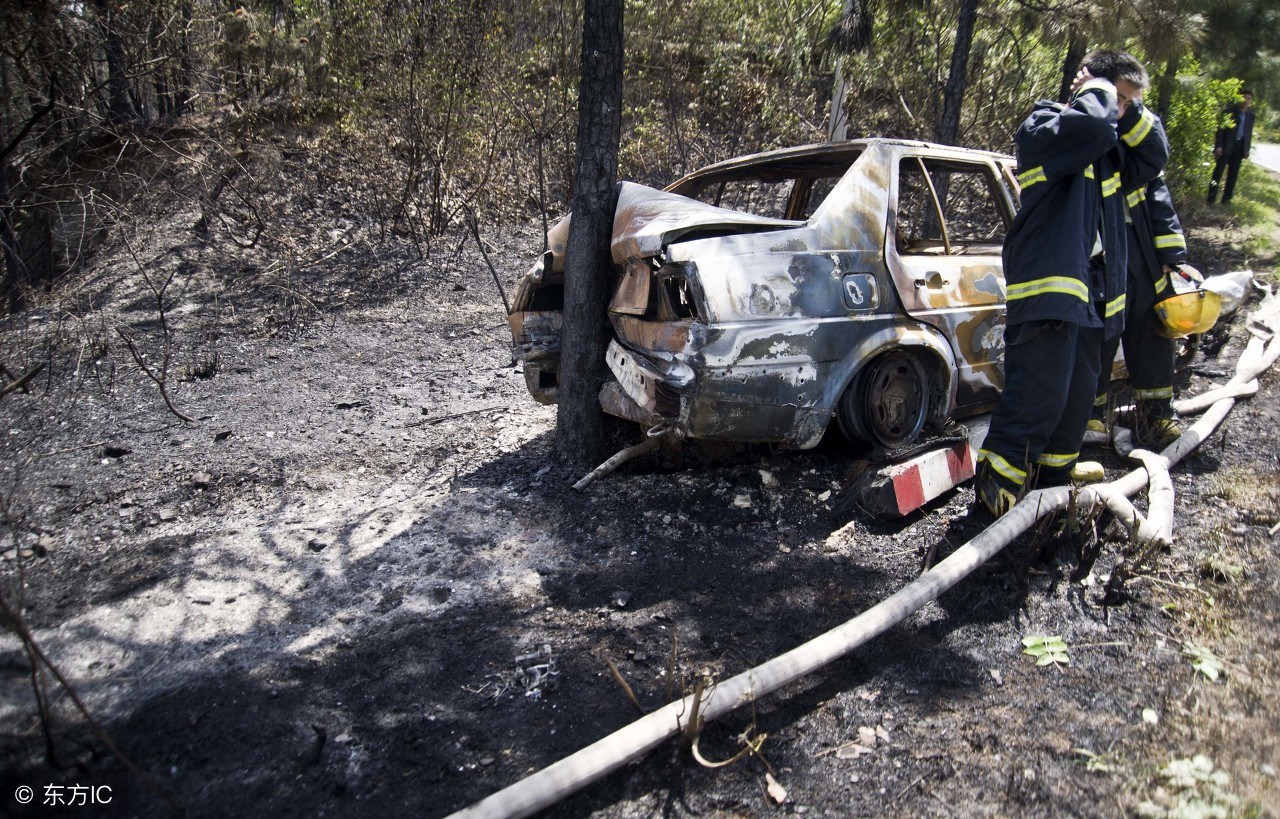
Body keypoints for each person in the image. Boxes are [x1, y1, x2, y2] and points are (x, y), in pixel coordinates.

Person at [975, 50, 1151, 518]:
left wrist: (1128, 108)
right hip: (1048, 289)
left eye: (1128, 106)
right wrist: (1094, 88)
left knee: (1073, 404)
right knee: (1038, 395)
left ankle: (1050, 492)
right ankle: (993, 496)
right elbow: (1091, 126)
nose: (1120, 111)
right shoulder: (1045, 124)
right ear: (1092, 89)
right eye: (1118, 99)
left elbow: (1155, 155)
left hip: (1089, 298)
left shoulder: (1110, 156)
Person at [1207, 90, 1255, 204]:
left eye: (1248, 99)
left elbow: (1248, 133)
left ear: (1251, 101)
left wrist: (1246, 149)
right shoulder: (1229, 112)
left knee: (1233, 175)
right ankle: (1211, 198)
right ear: (1239, 98)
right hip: (1225, 147)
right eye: (1244, 98)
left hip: (1239, 148)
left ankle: (1226, 199)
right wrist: (1218, 146)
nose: (1246, 101)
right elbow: (1220, 130)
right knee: (1217, 172)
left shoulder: (1251, 115)